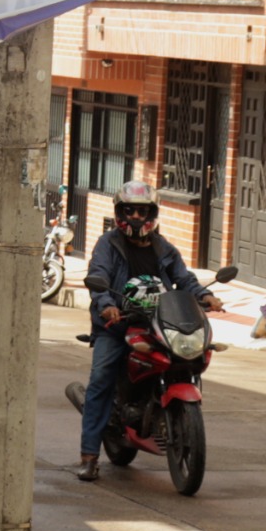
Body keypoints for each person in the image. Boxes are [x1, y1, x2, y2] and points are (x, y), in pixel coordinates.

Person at [74, 180, 218, 483]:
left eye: (142, 211)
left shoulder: (163, 247)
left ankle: (159, 407)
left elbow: (184, 278)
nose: (137, 217)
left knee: (183, 359)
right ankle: (89, 456)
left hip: (156, 323)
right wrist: (106, 305)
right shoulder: (108, 245)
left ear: (152, 213)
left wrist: (204, 296)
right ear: (120, 212)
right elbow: (97, 275)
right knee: (101, 379)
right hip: (116, 325)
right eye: (130, 210)